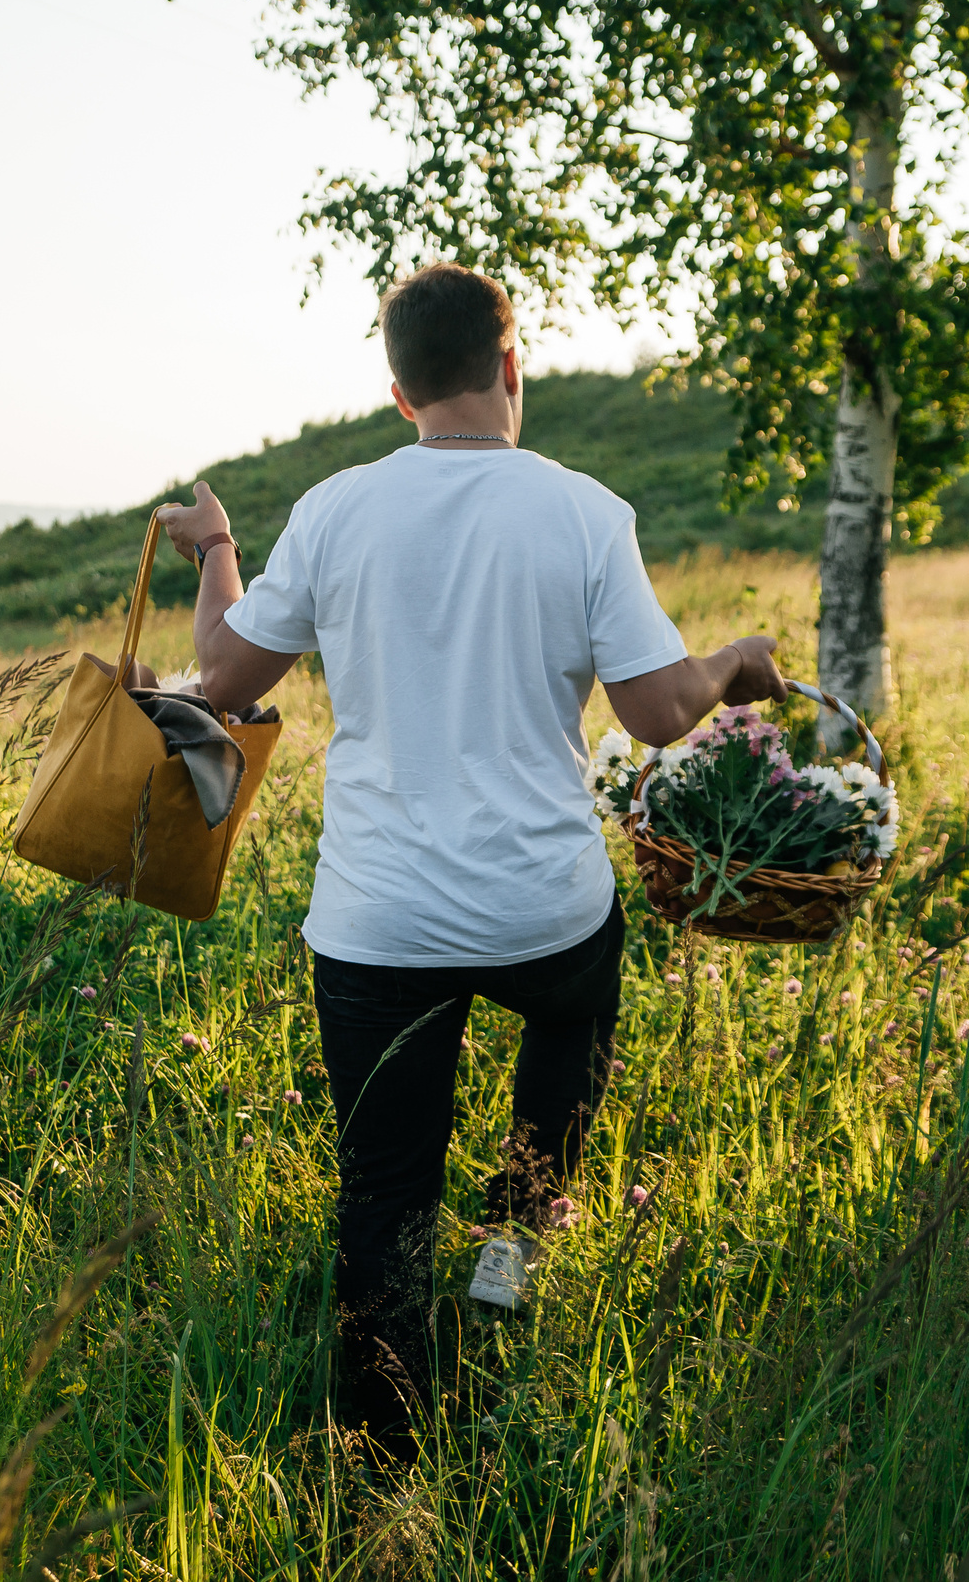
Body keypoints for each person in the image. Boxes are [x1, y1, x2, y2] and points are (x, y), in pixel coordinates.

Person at [151, 261, 785, 1456]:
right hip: (545, 912)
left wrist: (217, 546)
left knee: (384, 1189)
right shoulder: (584, 511)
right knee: (563, 1053)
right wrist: (731, 660)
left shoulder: (338, 508)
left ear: (398, 394)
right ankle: (516, 1248)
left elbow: (224, 684)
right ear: (510, 367)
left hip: (379, 927)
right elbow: (655, 714)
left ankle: (382, 1451)